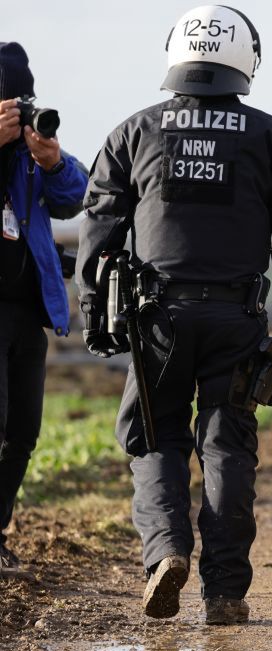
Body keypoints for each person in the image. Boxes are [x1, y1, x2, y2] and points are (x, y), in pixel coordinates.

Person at [75, 6, 272, 625]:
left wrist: (94, 312)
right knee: (227, 447)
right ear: (247, 59)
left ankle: (166, 552)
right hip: (237, 320)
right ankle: (224, 594)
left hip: (155, 319)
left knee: (156, 438)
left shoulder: (134, 132)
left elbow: (100, 229)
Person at [0, 42, 87, 578]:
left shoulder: (30, 158)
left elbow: (77, 196)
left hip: (28, 311)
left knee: (23, 431)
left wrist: (50, 159)